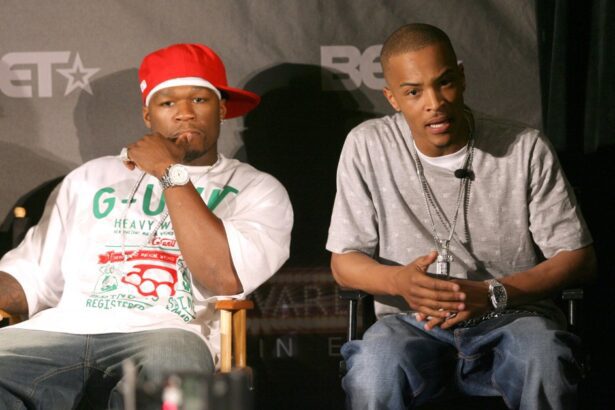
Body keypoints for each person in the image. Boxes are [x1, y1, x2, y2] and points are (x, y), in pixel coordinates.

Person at [0, 43, 293, 409]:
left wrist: (168, 172)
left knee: (177, 385)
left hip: (171, 335)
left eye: (199, 100)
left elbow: (223, 277)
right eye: (168, 103)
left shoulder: (256, 189)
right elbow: (29, 276)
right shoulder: (89, 178)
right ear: (147, 116)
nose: (184, 114)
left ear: (221, 109)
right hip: (63, 329)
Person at [326, 23, 596, 410]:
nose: (434, 103)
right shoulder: (368, 146)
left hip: (513, 318)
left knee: (544, 357)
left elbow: (579, 259)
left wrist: (493, 294)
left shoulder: (524, 147)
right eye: (414, 92)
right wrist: (400, 282)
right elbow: (343, 263)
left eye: (445, 83)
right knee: (374, 368)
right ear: (392, 98)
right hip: (411, 324)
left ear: (462, 77)